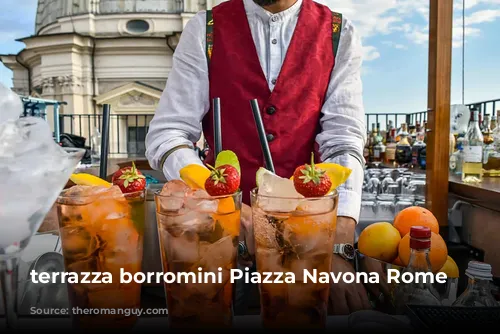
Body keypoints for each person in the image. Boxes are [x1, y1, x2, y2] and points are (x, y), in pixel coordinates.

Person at [145, 0, 369, 315]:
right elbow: (167, 134)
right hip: (221, 240)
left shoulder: (339, 31)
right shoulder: (204, 29)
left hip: (309, 238)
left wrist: (338, 245)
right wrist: (230, 206)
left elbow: (343, 140)